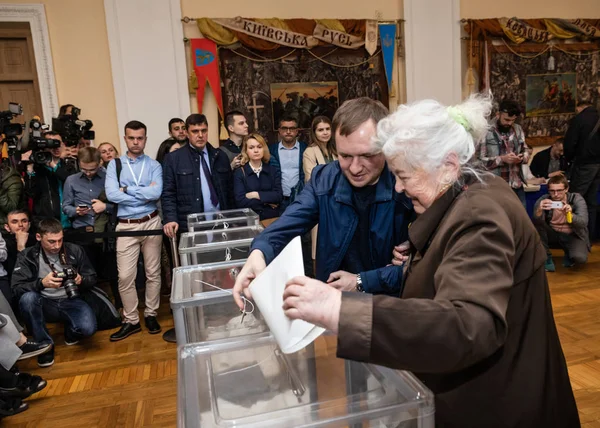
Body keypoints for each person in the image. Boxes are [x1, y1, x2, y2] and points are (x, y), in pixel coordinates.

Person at [244, 95, 581, 427]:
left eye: (405, 176)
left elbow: (466, 326)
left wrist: (340, 309)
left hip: (500, 401)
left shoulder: (480, 213)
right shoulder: (465, 194)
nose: (401, 189)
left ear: (448, 165)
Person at [233, 97, 414, 297]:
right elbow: (287, 223)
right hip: (333, 306)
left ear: (387, 147)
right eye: (345, 156)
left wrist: (362, 281)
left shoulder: (406, 183)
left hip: (388, 308)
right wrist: (259, 251)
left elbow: (423, 267)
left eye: (367, 155)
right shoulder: (324, 178)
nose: (354, 168)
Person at [12, 218, 97, 367]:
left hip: (71, 299)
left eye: (60, 240)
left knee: (88, 329)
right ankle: (44, 346)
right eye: (51, 241)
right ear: (39, 237)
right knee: (28, 299)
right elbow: (16, 288)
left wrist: (81, 279)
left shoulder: (74, 250)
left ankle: (70, 332)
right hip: (44, 301)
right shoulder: (27, 255)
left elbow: (92, 278)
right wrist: (41, 283)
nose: (57, 246)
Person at [105, 120, 163, 341]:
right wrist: (143, 192)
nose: (136, 142)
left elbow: (156, 194)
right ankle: (131, 320)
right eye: (132, 138)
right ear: (125, 138)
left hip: (151, 222)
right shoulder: (115, 165)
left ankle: (151, 314)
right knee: (126, 276)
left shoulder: (154, 165)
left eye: (140, 138)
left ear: (146, 139)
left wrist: (127, 189)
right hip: (126, 225)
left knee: (152, 273)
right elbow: (112, 195)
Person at [62, 147, 120, 308]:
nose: (88, 173)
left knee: (113, 274)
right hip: (82, 233)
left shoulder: (109, 177)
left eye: (92, 169)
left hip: (106, 232)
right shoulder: (71, 180)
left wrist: (105, 207)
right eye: (84, 169)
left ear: (100, 162)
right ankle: (94, 308)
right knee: (86, 276)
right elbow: (65, 206)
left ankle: (119, 307)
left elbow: (120, 204)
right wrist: (76, 211)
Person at [162, 114, 233, 238]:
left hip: (221, 221)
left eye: (203, 131)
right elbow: (168, 193)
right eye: (195, 131)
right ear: (187, 133)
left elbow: (230, 190)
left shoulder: (220, 156)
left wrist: (234, 219)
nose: (200, 135)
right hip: (192, 223)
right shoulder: (174, 159)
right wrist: (170, 218)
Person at [478, 99, 532, 207]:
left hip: (516, 185)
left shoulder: (518, 129)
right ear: (498, 114)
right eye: (506, 119)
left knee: (520, 221)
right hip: (495, 186)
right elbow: (479, 162)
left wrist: (522, 157)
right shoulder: (485, 131)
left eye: (513, 120)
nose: (509, 123)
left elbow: (525, 150)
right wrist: (502, 159)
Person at [533, 174, 589, 272]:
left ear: (566, 189)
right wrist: (538, 211)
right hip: (553, 234)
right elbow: (535, 223)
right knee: (538, 226)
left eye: (559, 190)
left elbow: (583, 223)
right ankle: (546, 257)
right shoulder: (544, 199)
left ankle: (569, 252)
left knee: (580, 258)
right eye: (552, 191)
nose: (556, 194)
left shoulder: (576, 199)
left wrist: (570, 215)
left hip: (573, 234)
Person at [563, 98, 600, 242]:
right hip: (598, 166)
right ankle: (589, 236)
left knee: (574, 199)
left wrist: (569, 158)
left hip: (584, 164)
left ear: (580, 107)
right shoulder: (597, 118)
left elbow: (570, 142)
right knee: (591, 202)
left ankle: (574, 237)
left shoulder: (580, 119)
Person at [303, 116, 337, 261]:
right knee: (320, 248)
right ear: (314, 132)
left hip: (338, 201)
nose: (325, 133)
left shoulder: (337, 149)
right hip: (321, 202)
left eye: (327, 129)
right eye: (320, 130)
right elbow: (311, 179)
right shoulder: (309, 152)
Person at [25, 131, 75, 228]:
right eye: (51, 144)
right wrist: (30, 168)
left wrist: (53, 165)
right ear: (44, 146)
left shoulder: (69, 166)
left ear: (63, 145)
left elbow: (70, 182)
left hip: (68, 224)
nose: (56, 147)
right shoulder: (37, 169)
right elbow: (31, 193)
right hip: (46, 225)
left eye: (58, 143)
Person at [233, 133, 282, 220]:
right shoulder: (240, 172)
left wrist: (255, 194)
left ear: (264, 149)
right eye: (251, 148)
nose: (256, 151)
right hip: (249, 220)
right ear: (246, 151)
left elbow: (278, 196)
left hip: (271, 220)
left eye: (259, 147)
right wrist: (267, 200)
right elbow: (240, 202)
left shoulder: (272, 170)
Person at [269, 115, 307, 210]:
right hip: (280, 201)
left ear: (297, 131)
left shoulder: (306, 149)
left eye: (292, 128)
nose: (288, 132)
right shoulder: (271, 150)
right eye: (285, 128)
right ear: (279, 131)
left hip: (301, 198)